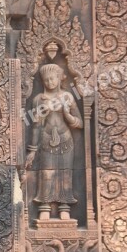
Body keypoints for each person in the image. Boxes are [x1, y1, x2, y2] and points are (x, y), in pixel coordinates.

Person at [25, 63, 83, 220]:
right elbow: (36, 126)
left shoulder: (68, 97)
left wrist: (67, 114)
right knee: (46, 172)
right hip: (46, 138)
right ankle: (44, 206)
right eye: (46, 80)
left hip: (66, 139)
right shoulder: (39, 99)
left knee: (65, 172)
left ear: (59, 78)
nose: (50, 82)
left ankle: (65, 206)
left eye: (52, 79)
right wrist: (32, 151)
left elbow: (80, 123)